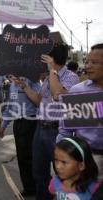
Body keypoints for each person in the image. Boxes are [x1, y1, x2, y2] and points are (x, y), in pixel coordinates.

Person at [19, 43, 80, 200]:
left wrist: (52, 70)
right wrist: (24, 87)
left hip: (58, 130)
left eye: (45, 57)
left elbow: (57, 94)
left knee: (62, 172)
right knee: (39, 172)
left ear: (52, 58)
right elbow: (39, 100)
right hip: (41, 128)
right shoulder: (48, 78)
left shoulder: (71, 77)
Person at [57, 43, 103, 181]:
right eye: (86, 61)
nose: (87, 66)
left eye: (94, 62)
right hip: (86, 159)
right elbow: (65, 130)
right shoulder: (78, 91)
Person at [0, 75, 40, 197]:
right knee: (22, 158)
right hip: (19, 123)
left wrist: (24, 86)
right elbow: (10, 106)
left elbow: (40, 102)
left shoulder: (33, 81)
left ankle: (40, 186)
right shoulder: (12, 85)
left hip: (32, 121)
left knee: (34, 157)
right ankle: (28, 187)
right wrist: (3, 125)